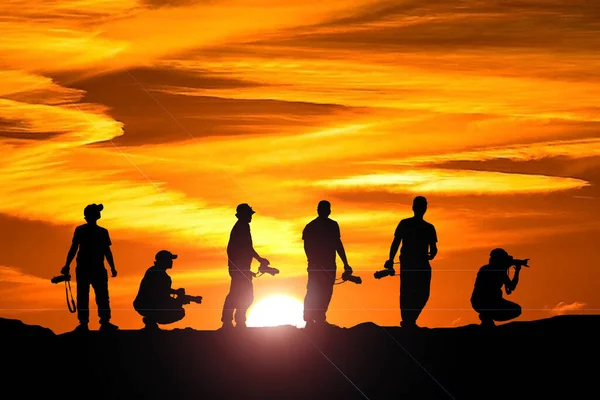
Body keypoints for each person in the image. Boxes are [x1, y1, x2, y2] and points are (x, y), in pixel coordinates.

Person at [60, 203, 118, 332]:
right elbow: (74, 248)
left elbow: (106, 250)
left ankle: (100, 321)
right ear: (92, 215)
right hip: (87, 268)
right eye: (96, 212)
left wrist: (112, 266)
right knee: (87, 295)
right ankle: (86, 322)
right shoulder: (83, 230)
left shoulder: (101, 231)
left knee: (99, 295)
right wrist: (67, 264)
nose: (98, 213)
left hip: (93, 268)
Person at [385, 196, 437, 329]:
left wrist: (431, 254)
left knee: (421, 293)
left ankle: (410, 319)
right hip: (409, 263)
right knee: (407, 292)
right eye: (420, 206)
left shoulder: (429, 227)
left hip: (420, 263)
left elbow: (434, 249)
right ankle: (408, 321)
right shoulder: (406, 224)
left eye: (423, 206)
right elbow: (396, 243)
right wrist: (390, 260)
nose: (421, 208)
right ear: (414, 208)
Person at [302, 200, 352, 329]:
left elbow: (338, 245)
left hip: (328, 265)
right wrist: (313, 262)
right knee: (314, 291)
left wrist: (346, 263)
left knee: (325, 292)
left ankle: (319, 318)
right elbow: (307, 247)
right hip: (317, 266)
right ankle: (309, 319)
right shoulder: (311, 227)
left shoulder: (332, 225)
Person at [221, 203, 270, 329]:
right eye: (249, 214)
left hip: (240, 268)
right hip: (239, 268)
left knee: (240, 293)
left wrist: (258, 261)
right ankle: (233, 320)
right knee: (242, 294)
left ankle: (235, 320)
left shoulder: (242, 227)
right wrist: (259, 260)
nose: (251, 217)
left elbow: (247, 248)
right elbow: (247, 248)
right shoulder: (241, 228)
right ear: (243, 215)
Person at [134, 250, 200, 331]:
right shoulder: (157, 273)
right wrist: (178, 300)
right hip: (146, 304)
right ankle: (151, 321)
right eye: (169, 259)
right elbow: (159, 293)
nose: (172, 261)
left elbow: (162, 291)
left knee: (176, 307)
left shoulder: (154, 271)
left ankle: (151, 321)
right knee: (179, 311)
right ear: (163, 261)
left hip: (144, 303)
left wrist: (177, 294)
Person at [471, 248, 527, 327]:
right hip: (485, 302)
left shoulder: (487, 269)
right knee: (515, 310)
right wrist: (516, 270)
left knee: (516, 310)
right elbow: (511, 286)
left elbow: (511, 287)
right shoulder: (494, 270)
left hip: (483, 302)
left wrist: (516, 269)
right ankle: (487, 316)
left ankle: (487, 317)